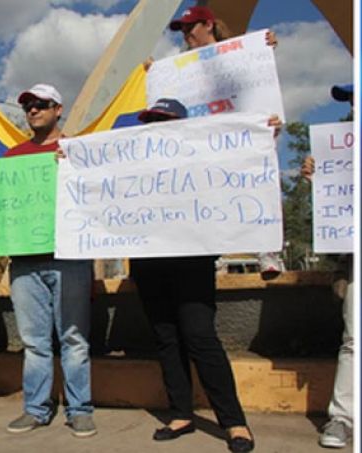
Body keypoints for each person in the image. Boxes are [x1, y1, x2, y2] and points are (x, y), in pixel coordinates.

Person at [130, 99, 256, 453]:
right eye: (151, 120)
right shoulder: (133, 164)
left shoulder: (203, 160)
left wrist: (265, 134)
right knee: (166, 338)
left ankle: (233, 421)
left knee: (201, 337)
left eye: (163, 120)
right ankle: (181, 413)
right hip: (148, 261)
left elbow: (242, 164)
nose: (155, 125)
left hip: (192, 261)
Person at [4, 84, 96, 438]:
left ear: (59, 109)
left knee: (74, 338)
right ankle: (35, 409)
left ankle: (80, 409)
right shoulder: (12, 157)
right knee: (34, 342)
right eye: (28, 105)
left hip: (68, 257)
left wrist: (73, 167)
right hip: (25, 261)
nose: (33, 110)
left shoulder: (76, 151)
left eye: (41, 104)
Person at [166, 4, 282, 280]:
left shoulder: (243, 54)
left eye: (189, 27)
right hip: (203, 148)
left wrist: (264, 48)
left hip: (239, 139)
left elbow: (261, 92)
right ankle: (213, 253)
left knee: (253, 181)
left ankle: (267, 251)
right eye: (181, 29)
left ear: (208, 25)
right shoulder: (178, 68)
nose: (185, 34)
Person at [301, 83, 353, 449]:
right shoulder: (342, 149)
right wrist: (318, 182)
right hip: (356, 258)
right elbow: (340, 205)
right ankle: (343, 418)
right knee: (354, 341)